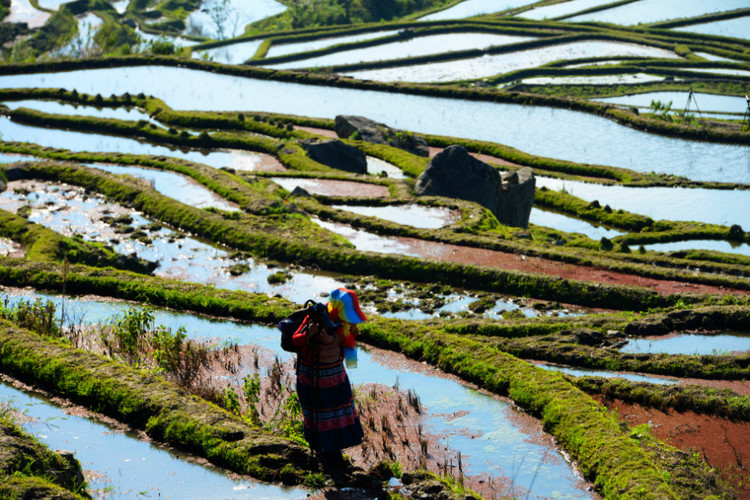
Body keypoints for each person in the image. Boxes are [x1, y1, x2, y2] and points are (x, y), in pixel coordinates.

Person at [292, 288, 366, 467]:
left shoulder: (346, 324)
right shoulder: (316, 317)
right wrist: (310, 333)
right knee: (320, 415)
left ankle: (335, 451)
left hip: (335, 375)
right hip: (313, 376)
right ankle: (324, 453)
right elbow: (296, 339)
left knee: (338, 414)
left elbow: (347, 350)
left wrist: (351, 332)